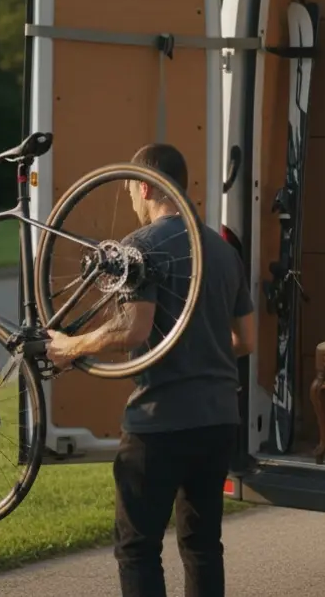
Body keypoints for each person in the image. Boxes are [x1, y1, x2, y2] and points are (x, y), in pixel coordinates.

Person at [47, 143, 255, 597]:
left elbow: (134, 330)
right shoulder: (221, 252)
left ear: (145, 185)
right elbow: (246, 340)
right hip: (219, 419)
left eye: (130, 191)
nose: (133, 202)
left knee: (138, 549)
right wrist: (205, 352)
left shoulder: (138, 247)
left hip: (160, 422)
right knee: (202, 545)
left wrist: (70, 346)